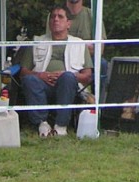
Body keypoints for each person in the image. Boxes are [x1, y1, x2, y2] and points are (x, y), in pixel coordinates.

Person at [19, 5, 93, 137]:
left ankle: (61, 125)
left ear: (68, 23)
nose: (56, 20)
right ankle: (42, 124)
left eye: (60, 17)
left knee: (68, 78)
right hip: (42, 83)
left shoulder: (79, 44)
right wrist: (40, 75)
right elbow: (23, 71)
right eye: (53, 17)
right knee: (29, 79)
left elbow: (87, 76)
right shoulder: (37, 42)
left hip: (68, 84)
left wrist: (69, 75)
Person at [47, 0, 108, 101]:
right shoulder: (56, 15)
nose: (56, 19)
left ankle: (96, 105)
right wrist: (85, 45)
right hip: (61, 58)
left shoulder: (93, 15)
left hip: (85, 60)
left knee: (102, 64)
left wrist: (76, 48)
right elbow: (50, 42)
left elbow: (99, 50)